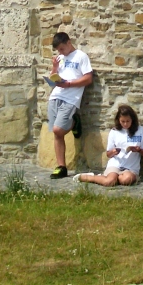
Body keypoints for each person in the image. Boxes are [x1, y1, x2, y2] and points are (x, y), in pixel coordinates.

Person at [47, 31, 93, 180]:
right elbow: (53, 78)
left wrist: (69, 84)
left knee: (58, 129)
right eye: (58, 50)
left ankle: (73, 122)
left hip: (70, 98)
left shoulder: (81, 56)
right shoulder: (60, 58)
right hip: (55, 96)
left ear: (68, 43)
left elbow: (88, 78)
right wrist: (54, 68)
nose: (60, 52)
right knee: (56, 133)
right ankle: (61, 167)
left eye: (61, 48)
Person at [75, 104, 143, 187]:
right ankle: (88, 177)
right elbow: (108, 154)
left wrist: (138, 150)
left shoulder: (140, 130)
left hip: (131, 167)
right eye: (122, 121)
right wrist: (113, 152)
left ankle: (113, 177)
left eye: (128, 121)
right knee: (109, 182)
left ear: (132, 120)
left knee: (126, 180)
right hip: (116, 163)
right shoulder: (114, 131)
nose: (125, 124)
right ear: (118, 120)